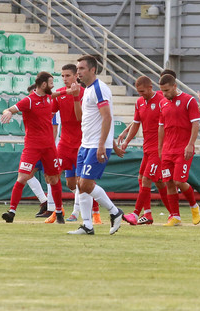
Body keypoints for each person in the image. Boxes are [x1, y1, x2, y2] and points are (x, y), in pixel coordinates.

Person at [68, 55, 125, 235]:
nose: (78, 73)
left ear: (92, 70)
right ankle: (87, 225)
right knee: (80, 184)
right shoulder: (88, 91)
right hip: (86, 144)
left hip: (96, 145)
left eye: (82, 69)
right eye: (77, 69)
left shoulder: (100, 89)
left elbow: (107, 117)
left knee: (85, 184)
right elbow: (84, 119)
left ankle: (115, 211)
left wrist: (103, 144)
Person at [0, 72, 65, 224]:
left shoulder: (48, 97)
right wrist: (8, 112)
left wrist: (70, 91)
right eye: (51, 82)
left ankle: (59, 212)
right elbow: (9, 109)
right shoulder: (29, 101)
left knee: (54, 179)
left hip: (49, 148)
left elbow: (57, 94)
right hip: (32, 147)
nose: (53, 85)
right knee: (23, 177)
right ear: (43, 85)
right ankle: (12, 211)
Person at [45, 64, 102, 225]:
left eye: (67, 76)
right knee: (62, 179)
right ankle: (59, 209)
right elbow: (50, 112)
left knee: (83, 181)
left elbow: (80, 118)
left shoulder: (85, 93)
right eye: (62, 76)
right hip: (64, 142)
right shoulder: (60, 94)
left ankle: (91, 212)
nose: (64, 79)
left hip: (81, 142)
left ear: (76, 76)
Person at [120, 76, 170, 225]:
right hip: (147, 147)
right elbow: (136, 123)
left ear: (150, 87)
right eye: (138, 92)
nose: (141, 94)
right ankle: (161, 214)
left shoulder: (162, 100)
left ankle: (135, 214)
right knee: (150, 180)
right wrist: (127, 140)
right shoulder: (140, 102)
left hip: (159, 148)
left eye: (143, 91)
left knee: (147, 179)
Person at [158, 74, 200, 226]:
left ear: (175, 86)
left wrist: (191, 144)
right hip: (167, 150)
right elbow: (161, 127)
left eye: (167, 90)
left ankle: (194, 206)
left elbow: (195, 124)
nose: (164, 94)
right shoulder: (162, 103)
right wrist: (160, 148)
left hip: (183, 149)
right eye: (162, 91)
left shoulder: (189, 100)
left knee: (179, 181)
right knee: (168, 182)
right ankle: (175, 216)